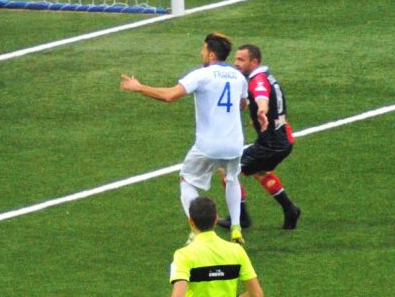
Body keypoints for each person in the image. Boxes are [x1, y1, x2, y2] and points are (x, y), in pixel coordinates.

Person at [121, 32, 249, 244]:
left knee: (186, 179)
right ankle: (236, 227)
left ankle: (198, 230)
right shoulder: (239, 77)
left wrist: (139, 87)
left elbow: (169, 95)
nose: (201, 52)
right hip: (235, 144)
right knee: (232, 178)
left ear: (211, 55)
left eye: (203, 49)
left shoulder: (202, 75)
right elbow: (242, 104)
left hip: (208, 145)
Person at [218, 44, 301, 231]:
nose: (236, 63)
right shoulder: (264, 75)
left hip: (271, 145)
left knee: (226, 170)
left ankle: (240, 218)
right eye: (236, 58)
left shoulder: (258, 80)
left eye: (241, 59)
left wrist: (261, 110)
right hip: (281, 139)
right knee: (259, 171)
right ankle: (289, 209)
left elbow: (261, 95)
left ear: (254, 62)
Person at [169, 196, 264, 297]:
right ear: (216, 219)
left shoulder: (183, 255)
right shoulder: (237, 251)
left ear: (191, 221)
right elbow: (257, 294)